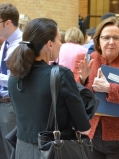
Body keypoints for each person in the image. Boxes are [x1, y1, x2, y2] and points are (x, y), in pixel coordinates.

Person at [7, 18, 91, 159]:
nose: (62, 44)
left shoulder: (14, 75)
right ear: (50, 44)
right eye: (59, 39)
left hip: (22, 149)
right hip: (53, 150)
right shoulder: (61, 75)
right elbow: (83, 126)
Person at [73, 17, 119, 159]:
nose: (111, 42)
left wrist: (110, 88)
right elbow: (73, 95)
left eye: (116, 38)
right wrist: (82, 79)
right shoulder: (85, 60)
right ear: (98, 40)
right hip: (89, 134)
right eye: (106, 37)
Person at [0, 3, 22, 159]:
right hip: (3, 103)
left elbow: (18, 80)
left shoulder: (21, 44)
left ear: (7, 23)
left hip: (11, 103)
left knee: (12, 152)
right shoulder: (6, 43)